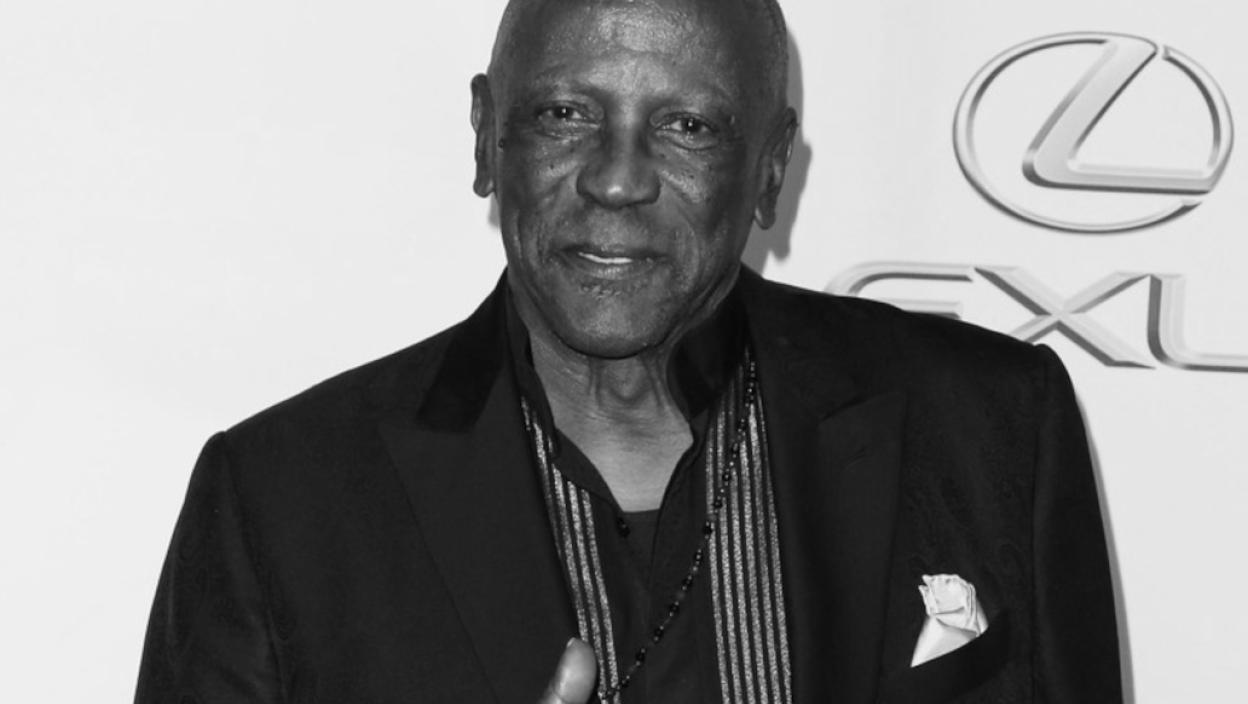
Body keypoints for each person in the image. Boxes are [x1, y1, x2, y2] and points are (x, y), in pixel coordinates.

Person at [135, 0, 1123, 701]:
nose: (616, 179)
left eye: (687, 126)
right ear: (485, 137)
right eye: (565, 113)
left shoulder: (990, 425)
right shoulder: (283, 500)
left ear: (771, 168)